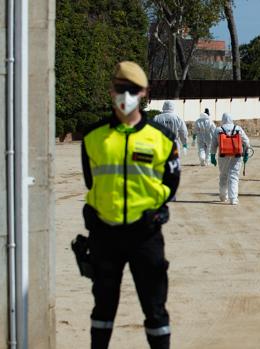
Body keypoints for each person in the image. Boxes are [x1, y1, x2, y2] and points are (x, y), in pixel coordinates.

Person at [81, 61, 180, 349]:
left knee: (155, 309)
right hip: (104, 235)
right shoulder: (93, 137)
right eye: (121, 89)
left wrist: (151, 209)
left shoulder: (162, 139)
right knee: (103, 309)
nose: (126, 95)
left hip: (145, 235)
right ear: (111, 90)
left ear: (144, 93)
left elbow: (171, 184)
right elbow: (91, 181)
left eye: (133, 90)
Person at [210, 113, 250, 205]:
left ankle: (223, 196)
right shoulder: (238, 128)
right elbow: (246, 142)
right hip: (236, 155)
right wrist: (246, 153)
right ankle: (233, 199)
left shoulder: (218, 129)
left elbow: (213, 145)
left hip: (223, 155)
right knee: (234, 176)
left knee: (223, 175)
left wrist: (212, 156)